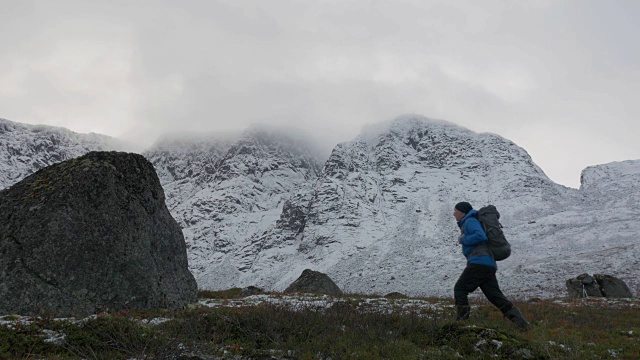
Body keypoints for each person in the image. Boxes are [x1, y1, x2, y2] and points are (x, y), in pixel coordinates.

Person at [453, 201, 530, 330]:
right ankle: (522, 324)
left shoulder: (470, 221)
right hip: (488, 264)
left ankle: (461, 324)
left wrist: (463, 239)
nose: (454, 213)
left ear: (462, 212)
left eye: (455, 211)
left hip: (479, 263)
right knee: (495, 296)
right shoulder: (471, 221)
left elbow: (480, 236)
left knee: (460, 289)